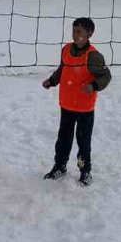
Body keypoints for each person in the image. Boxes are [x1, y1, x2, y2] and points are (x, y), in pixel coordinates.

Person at [42, 17, 111, 186]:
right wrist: (52, 81)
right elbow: (62, 70)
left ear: (89, 34)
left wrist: (94, 85)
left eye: (79, 31)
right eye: (74, 30)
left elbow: (106, 76)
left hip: (84, 109)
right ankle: (60, 166)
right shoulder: (66, 49)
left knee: (83, 143)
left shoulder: (93, 56)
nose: (75, 34)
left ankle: (85, 170)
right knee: (63, 140)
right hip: (67, 105)